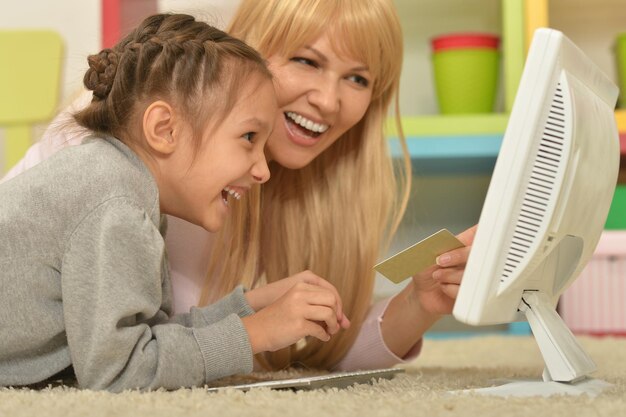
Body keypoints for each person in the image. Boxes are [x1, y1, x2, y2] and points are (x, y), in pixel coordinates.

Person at [2, 0, 475, 373]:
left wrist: (420, 300)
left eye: (357, 78)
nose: (329, 100)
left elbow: (310, 355)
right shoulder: (133, 162)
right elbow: (131, 359)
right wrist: (257, 327)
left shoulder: (204, 167)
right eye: (306, 61)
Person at [0, 13, 349, 392]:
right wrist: (255, 334)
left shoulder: (123, 188)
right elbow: (118, 372)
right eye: (249, 137)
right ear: (164, 129)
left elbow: (146, 337)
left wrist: (247, 308)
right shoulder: (114, 204)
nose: (263, 171)